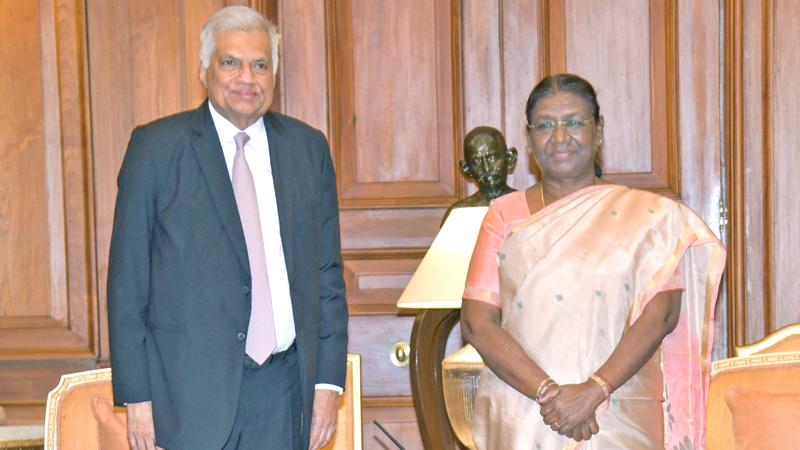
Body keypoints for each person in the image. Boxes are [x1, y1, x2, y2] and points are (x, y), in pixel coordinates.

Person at [106, 6, 348, 450]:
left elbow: (327, 277)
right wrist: (137, 398)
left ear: (274, 73)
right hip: (185, 397)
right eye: (230, 62)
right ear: (203, 69)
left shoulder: (307, 149)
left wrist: (328, 386)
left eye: (260, 64)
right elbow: (127, 284)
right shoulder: (156, 150)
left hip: (284, 391)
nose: (247, 78)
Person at [460, 73, 725, 449]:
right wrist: (549, 394)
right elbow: (476, 322)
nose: (560, 137)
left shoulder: (649, 217)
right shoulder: (503, 215)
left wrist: (595, 389)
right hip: (525, 414)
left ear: (598, 131)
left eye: (573, 122)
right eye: (546, 125)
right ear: (530, 137)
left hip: (620, 411)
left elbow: (662, 313)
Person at [442, 126, 517, 224]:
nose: (486, 168)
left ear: (510, 158)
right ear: (466, 168)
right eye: (477, 161)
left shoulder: (529, 205)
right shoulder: (458, 214)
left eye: (493, 158)